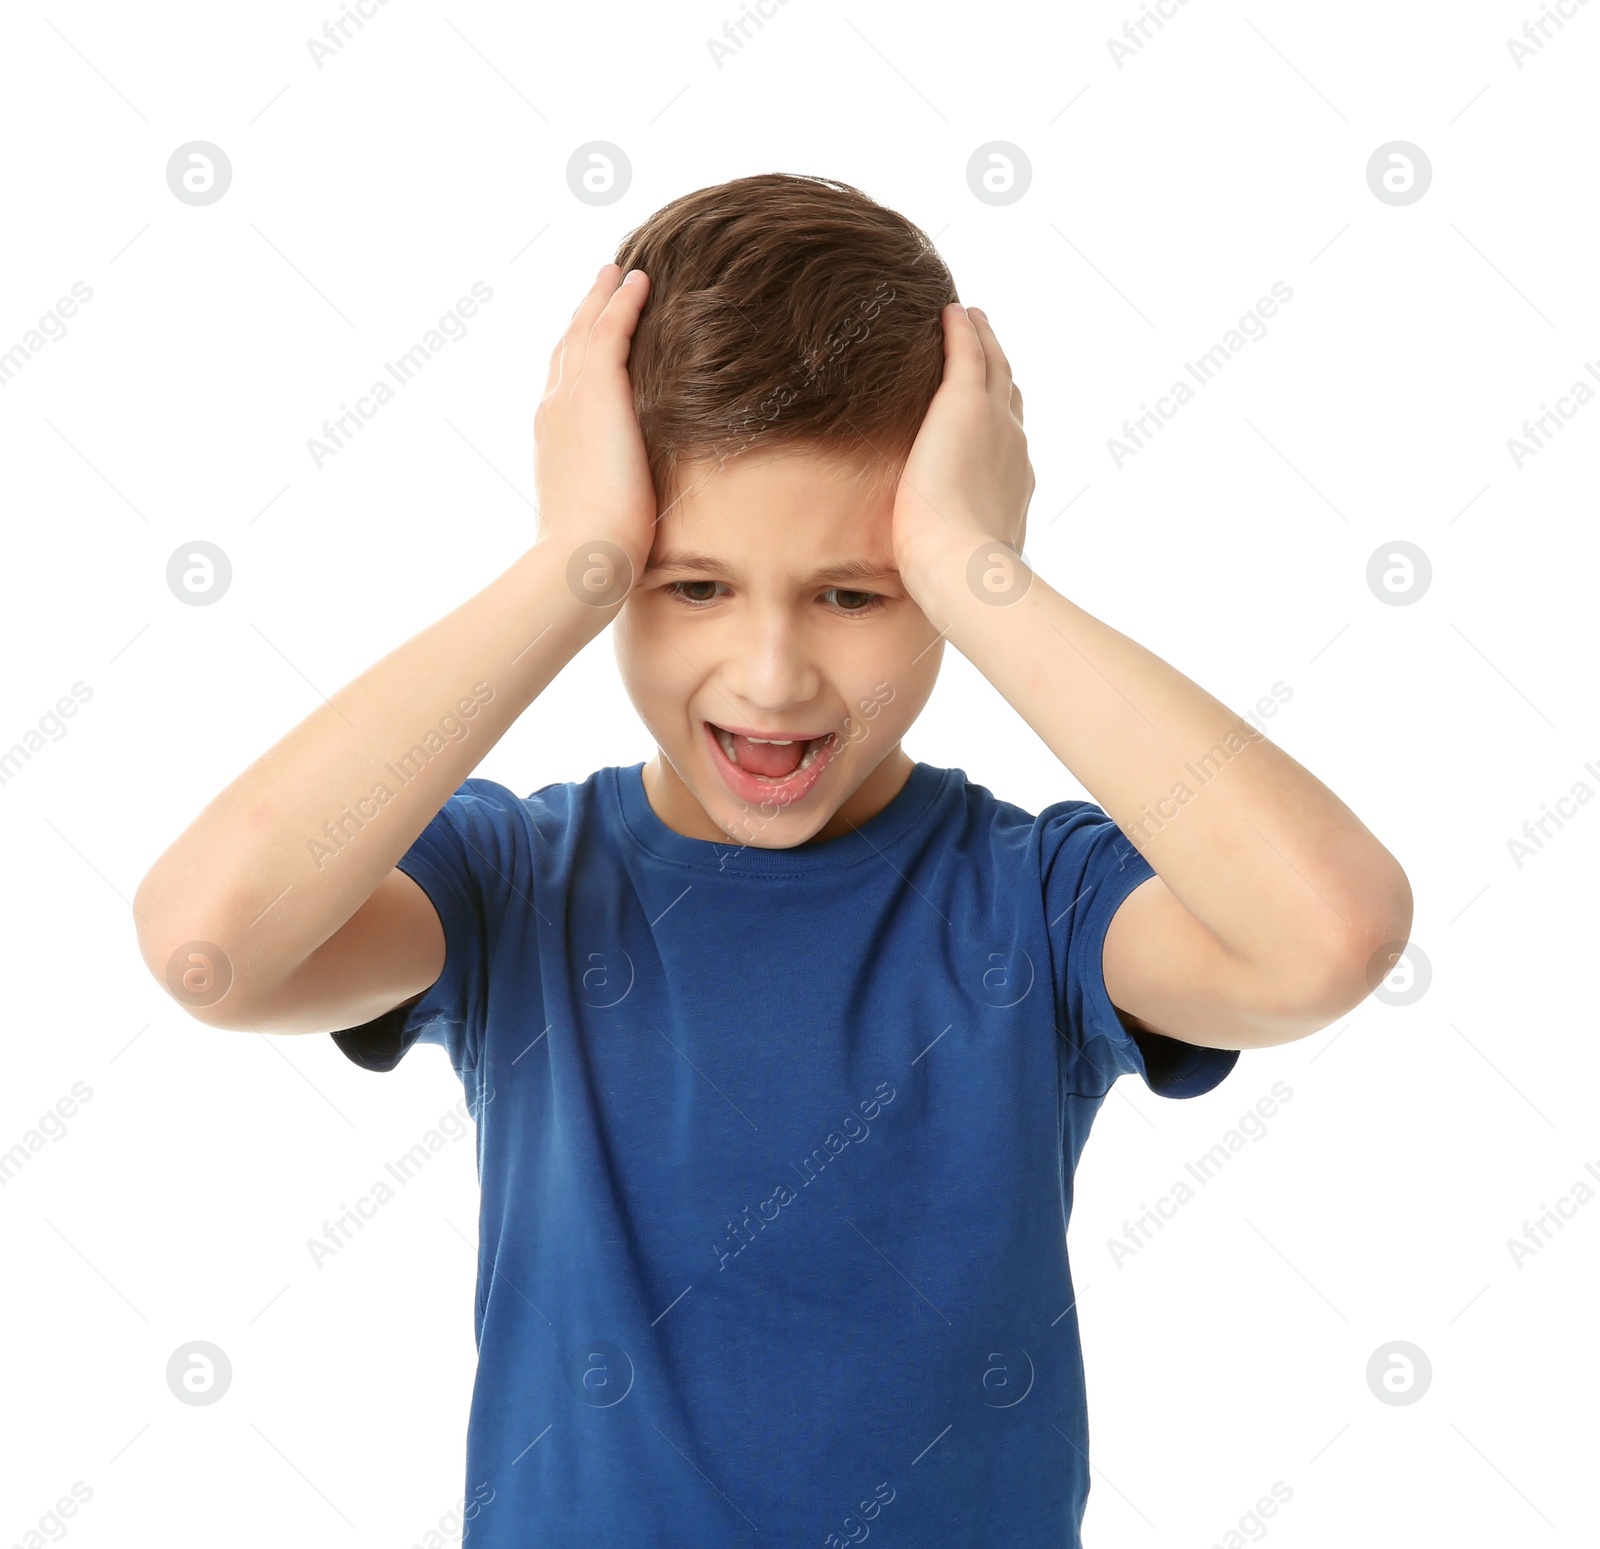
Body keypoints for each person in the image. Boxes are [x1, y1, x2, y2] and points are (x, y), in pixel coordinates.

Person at [133, 172, 1413, 1547]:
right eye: (690, 583)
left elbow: (1329, 933)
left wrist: (971, 560)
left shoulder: (1037, 903)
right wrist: (571, 555)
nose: (771, 674)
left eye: (856, 592)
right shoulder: (515, 885)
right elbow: (210, 940)